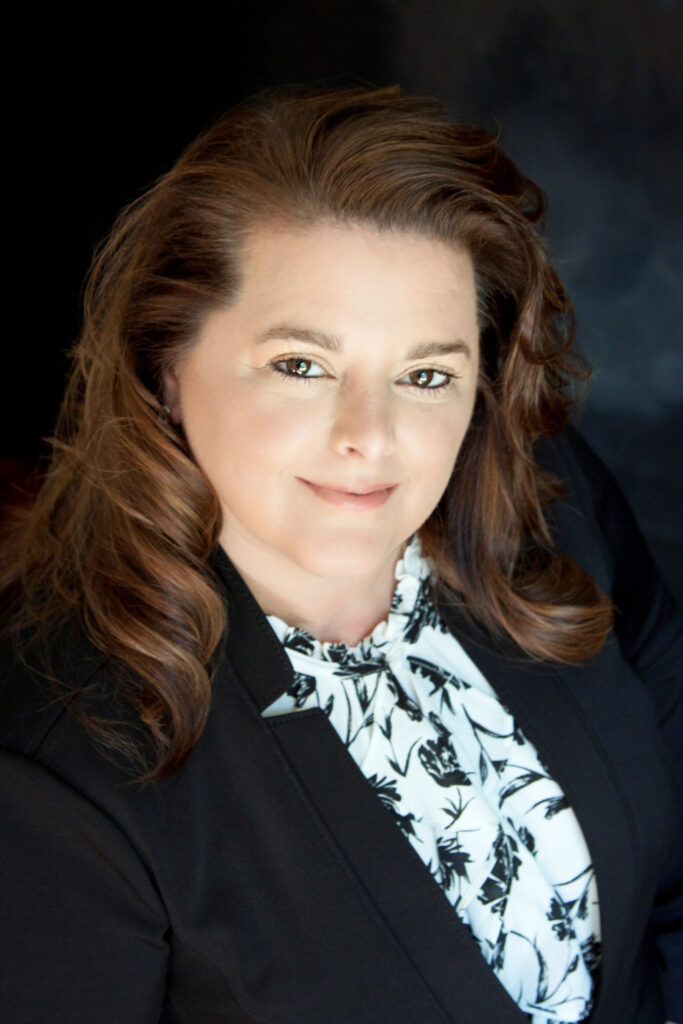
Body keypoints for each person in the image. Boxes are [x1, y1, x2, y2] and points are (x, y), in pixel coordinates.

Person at [0, 81, 680, 1024]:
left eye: (426, 374)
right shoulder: (49, 766)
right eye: (301, 365)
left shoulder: (550, 512)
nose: (372, 435)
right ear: (166, 363)